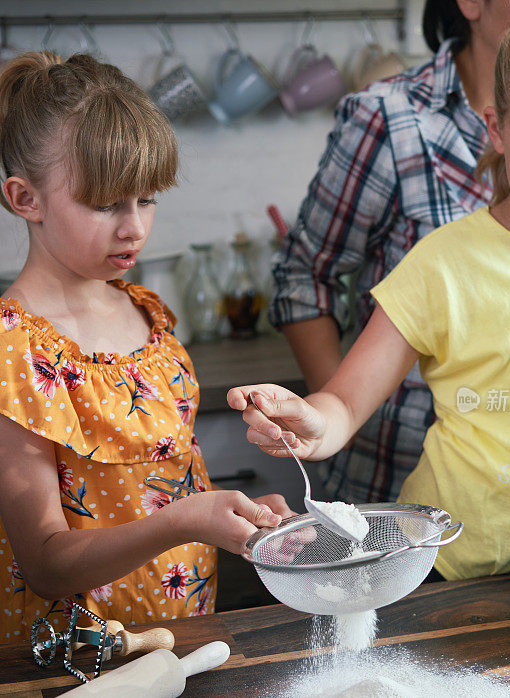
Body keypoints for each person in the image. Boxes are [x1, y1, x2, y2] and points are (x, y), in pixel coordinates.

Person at [230, 3, 510, 582]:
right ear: (496, 130)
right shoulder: (443, 263)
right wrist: (311, 423)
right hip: (445, 574)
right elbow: (345, 404)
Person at [0, 52, 292, 641]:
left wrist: (242, 519)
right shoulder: (13, 354)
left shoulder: (145, 314)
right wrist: (183, 521)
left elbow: (169, 483)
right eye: (105, 203)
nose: (134, 226)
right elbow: (47, 565)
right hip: (77, 657)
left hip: (182, 630)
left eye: (147, 198)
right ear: (24, 198)